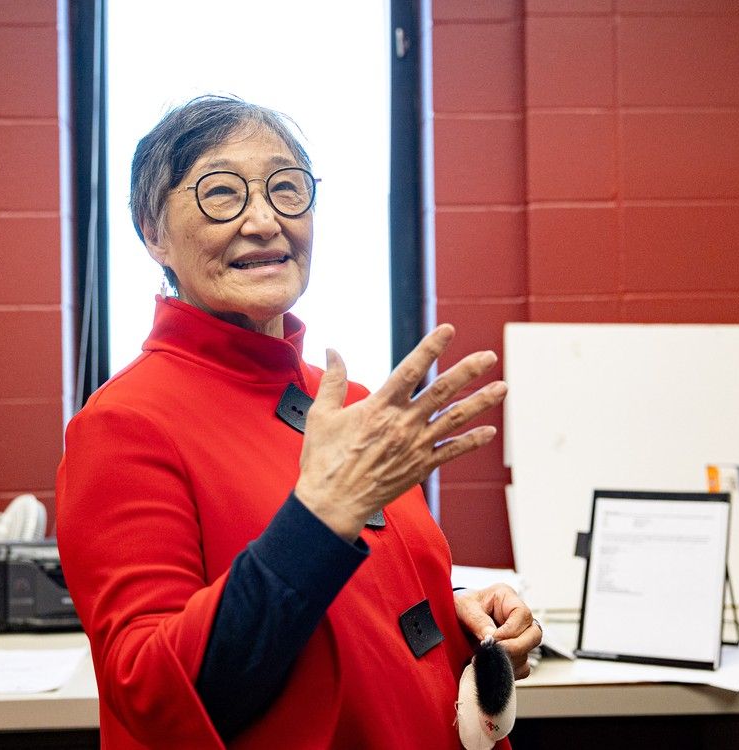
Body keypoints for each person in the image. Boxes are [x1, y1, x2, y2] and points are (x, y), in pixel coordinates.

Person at [56, 95, 541, 749]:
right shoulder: (124, 425)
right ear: (152, 232)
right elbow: (152, 691)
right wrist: (319, 516)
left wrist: (459, 618)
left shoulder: (347, 402)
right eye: (221, 193)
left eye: (286, 189)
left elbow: (350, 601)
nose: (264, 221)